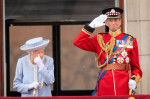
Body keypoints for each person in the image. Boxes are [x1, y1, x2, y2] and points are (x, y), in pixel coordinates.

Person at [73, 7, 142, 95]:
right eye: (110, 20)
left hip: (124, 84)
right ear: (106, 22)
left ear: (120, 21)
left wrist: (133, 79)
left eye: (116, 20)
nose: (113, 23)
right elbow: (78, 42)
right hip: (105, 83)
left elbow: (136, 68)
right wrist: (90, 27)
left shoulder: (130, 40)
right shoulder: (99, 39)